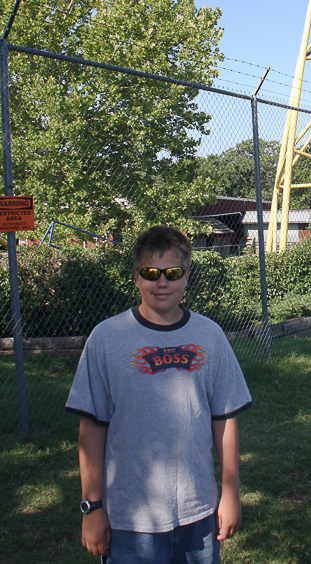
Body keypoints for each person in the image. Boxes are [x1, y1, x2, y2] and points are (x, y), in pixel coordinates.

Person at [66, 225, 252, 564]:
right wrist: (91, 507)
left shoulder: (210, 336)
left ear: (186, 276)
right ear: (136, 277)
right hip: (130, 518)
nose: (161, 282)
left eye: (172, 273)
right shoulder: (106, 339)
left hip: (198, 513)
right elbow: (91, 429)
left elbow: (224, 419)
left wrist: (230, 494)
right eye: (151, 273)